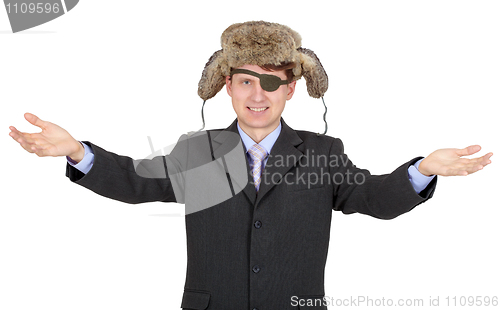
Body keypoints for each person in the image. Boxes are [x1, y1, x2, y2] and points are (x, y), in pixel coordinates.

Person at [8, 21, 492, 310]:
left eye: (271, 83)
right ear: (226, 86)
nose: (256, 95)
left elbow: (373, 199)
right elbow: (138, 182)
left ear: (290, 89)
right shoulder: (198, 150)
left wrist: (423, 169)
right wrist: (78, 152)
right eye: (244, 82)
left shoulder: (323, 154)